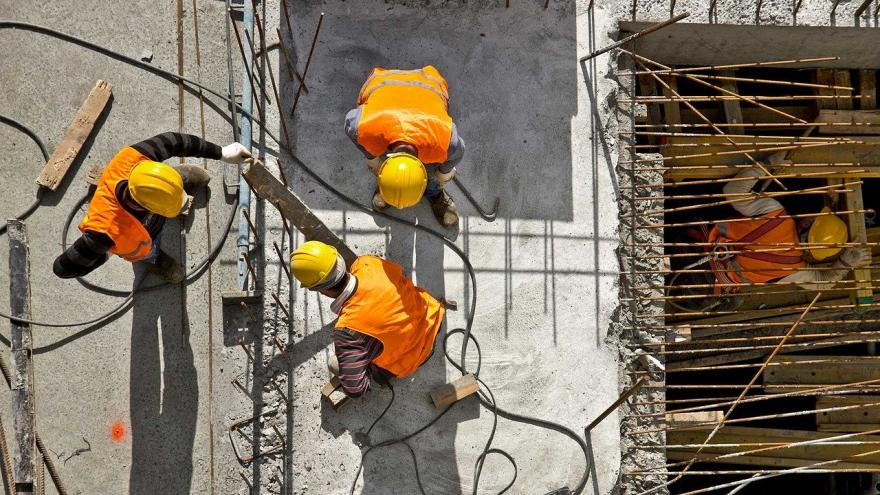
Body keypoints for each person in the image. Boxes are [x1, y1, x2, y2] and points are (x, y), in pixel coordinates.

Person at [53, 132, 252, 282]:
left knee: (167, 184)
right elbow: (62, 268)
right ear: (148, 207)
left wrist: (221, 152)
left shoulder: (134, 158)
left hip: (153, 183)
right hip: (142, 242)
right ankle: (153, 260)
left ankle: (175, 179)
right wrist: (106, 252)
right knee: (148, 250)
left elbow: (175, 141)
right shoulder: (104, 233)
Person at [671, 166, 869, 310]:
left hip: (685, 246)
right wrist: (846, 262)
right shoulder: (793, 269)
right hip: (702, 287)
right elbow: (824, 282)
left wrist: (763, 167)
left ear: (808, 225)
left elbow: (732, 191)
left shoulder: (775, 214)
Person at [290, 240, 445, 398]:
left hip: (412, 356)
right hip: (431, 315)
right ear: (339, 260)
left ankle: (379, 370)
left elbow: (356, 390)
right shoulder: (368, 263)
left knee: (334, 364)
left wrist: (359, 364)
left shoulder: (347, 331)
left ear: (320, 290)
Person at [344, 66, 465, 228]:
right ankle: (391, 187)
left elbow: (458, 152)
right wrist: (373, 160)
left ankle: (434, 192)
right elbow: (351, 123)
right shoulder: (362, 128)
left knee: (437, 177)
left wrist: (441, 177)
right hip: (383, 80)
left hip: (428, 81)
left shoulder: (446, 143)